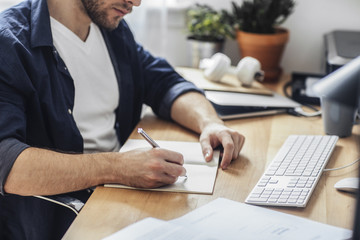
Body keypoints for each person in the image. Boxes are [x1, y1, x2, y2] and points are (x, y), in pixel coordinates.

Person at [0, 0, 245, 239]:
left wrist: (209, 122)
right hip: (66, 219)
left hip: (123, 193)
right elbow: (6, 162)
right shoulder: (10, 42)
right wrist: (118, 168)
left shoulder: (110, 27)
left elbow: (163, 82)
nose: (135, 3)